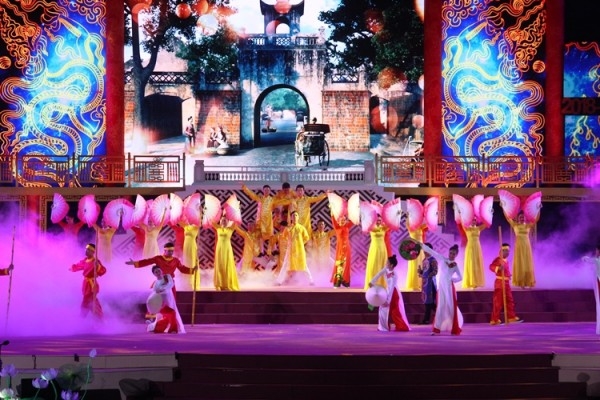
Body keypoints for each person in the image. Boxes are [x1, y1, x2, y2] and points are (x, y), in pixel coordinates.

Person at [417, 242, 463, 335]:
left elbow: (460, 277)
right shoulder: (443, 259)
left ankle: (454, 327)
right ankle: (436, 329)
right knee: (440, 307)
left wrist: (453, 279)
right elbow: (432, 252)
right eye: (450, 253)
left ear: (456, 255)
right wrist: (421, 245)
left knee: (450, 307)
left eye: (454, 254)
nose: (451, 255)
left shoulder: (455, 265)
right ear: (448, 253)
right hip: (441, 288)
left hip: (449, 288)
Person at [126, 242, 196, 295]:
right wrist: (135, 263)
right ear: (165, 251)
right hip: (160, 282)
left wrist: (192, 270)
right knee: (157, 300)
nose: (171, 252)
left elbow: (182, 268)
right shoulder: (158, 258)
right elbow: (147, 261)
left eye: (172, 251)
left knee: (171, 300)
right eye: (169, 251)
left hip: (170, 283)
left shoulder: (176, 260)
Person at [368, 255, 410, 332]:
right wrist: (372, 282)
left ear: (391, 265)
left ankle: (399, 326)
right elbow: (378, 274)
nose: (386, 263)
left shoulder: (394, 275)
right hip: (388, 291)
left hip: (393, 293)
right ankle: (383, 327)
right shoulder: (386, 269)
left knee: (393, 311)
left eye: (387, 263)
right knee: (385, 309)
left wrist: (388, 300)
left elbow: (391, 288)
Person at [69, 243, 107, 319]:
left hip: (92, 284)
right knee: (90, 301)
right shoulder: (85, 261)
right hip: (86, 283)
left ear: (93, 252)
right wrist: (72, 268)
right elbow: (78, 266)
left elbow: (103, 270)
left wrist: (98, 266)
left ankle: (86, 317)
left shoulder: (95, 261)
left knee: (89, 301)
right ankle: (96, 317)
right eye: (86, 249)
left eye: (88, 250)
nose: (86, 251)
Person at [490, 243, 524, 325]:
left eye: (508, 251)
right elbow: (491, 266)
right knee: (498, 301)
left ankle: (511, 317)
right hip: (500, 282)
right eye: (506, 251)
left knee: (509, 300)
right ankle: (495, 319)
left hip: (506, 283)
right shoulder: (498, 259)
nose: (508, 253)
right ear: (501, 251)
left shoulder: (506, 261)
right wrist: (498, 268)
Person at [276, 211, 313, 285]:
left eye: (296, 215)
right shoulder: (288, 228)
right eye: (293, 216)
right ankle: (279, 281)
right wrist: (290, 243)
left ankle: (311, 281)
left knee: (304, 265)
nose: (295, 217)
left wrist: (300, 244)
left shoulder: (302, 228)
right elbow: (284, 237)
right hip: (290, 251)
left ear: (298, 217)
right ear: (291, 218)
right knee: (285, 265)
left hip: (299, 250)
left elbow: (306, 238)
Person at [146, 265, 185, 334]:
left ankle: (155, 327)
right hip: (162, 303)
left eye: (159, 271)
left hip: (169, 300)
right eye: (156, 272)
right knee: (169, 314)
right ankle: (172, 329)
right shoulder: (155, 283)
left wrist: (162, 289)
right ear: (154, 274)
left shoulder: (167, 277)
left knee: (171, 315)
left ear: (161, 270)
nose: (158, 273)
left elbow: (171, 284)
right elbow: (154, 292)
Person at [506, 211, 537, 288]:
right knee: (520, 263)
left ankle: (528, 281)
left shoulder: (528, 225)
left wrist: (538, 209)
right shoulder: (515, 225)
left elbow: (536, 219)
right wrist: (504, 208)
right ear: (518, 218)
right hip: (519, 246)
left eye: (523, 217)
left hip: (526, 245)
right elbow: (508, 218)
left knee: (527, 263)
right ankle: (521, 282)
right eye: (520, 217)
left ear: (525, 218)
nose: (522, 218)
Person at [212, 213, 240, 291]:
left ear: (227, 221)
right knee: (220, 265)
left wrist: (235, 211)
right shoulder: (218, 228)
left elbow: (236, 221)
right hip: (219, 249)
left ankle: (228, 284)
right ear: (220, 221)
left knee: (227, 265)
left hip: (227, 249)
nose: (223, 221)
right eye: (222, 220)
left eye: (225, 220)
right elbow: (211, 221)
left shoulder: (230, 229)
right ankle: (219, 284)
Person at [364, 215, 390, 290]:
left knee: (382, 265)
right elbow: (374, 230)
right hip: (374, 248)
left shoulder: (383, 227)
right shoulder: (372, 227)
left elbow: (389, 225)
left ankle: (382, 284)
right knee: (373, 266)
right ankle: (372, 284)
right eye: (378, 220)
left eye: (380, 220)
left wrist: (397, 215)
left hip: (382, 248)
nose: (379, 221)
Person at [462, 219, 487, 289]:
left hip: (477, 247)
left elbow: (486, 223)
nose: (473, 222)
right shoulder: (467, 228)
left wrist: (489, 214)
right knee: (471, 263)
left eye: (474, 220)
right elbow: (462, 221)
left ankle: (477, 282)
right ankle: (471, 282)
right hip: (470, 247)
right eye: (472, 220)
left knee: (477, 264)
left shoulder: (478, 228)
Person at [417, 242, 438, 325]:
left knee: (429, 302)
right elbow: (424, 271)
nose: (424, 251)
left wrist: (427, 276)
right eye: (424, 249)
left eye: (426, 249)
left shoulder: (433, 260)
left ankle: (426, 319)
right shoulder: (424, 260)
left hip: (431, 284)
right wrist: (420, 272)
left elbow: (435, 271)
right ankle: (440, 316)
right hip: (425, 284)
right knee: (428, 302)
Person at [331, 213, 353, 288]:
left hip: (347, 248)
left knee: (346, 264)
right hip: (340, 248)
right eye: (341, 220)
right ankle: (338, 281)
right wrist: (332, 211)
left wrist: (353, 211)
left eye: (344, 220)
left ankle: (346, 281)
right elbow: (333, 219)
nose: (343, 221)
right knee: (339, 264)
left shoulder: (347, 226)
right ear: (338, 221)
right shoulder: (336, 227)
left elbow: (353, 220)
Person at [405, 216, 427, 291]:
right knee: (415, 266)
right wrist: (409, 215)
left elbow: (428, 223)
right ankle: (414, 284)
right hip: (413, 249)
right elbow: (407, 222)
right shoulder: (410, 228)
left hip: (421, 248)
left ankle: (421, 283)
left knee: (421, 265)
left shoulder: (421, 227)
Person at [582, 244, 600, 335]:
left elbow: (586, 260)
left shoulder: (597, 260)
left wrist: (584, 258)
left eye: (597, 250)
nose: (596, 252)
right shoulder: (596, 260)